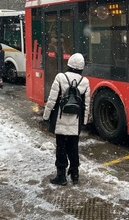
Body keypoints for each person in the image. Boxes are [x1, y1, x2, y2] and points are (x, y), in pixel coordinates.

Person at [42, 53, 90, 185]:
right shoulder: (85, 82)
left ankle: (61, 176)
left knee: (61, 147)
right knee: (73, 147)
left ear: (69, 64)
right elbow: (86, 104)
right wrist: (84, 122)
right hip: (75, 121)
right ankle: (75, 174)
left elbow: (52, 100)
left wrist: (46, 116)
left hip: (60, 118)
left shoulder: (60, 77)